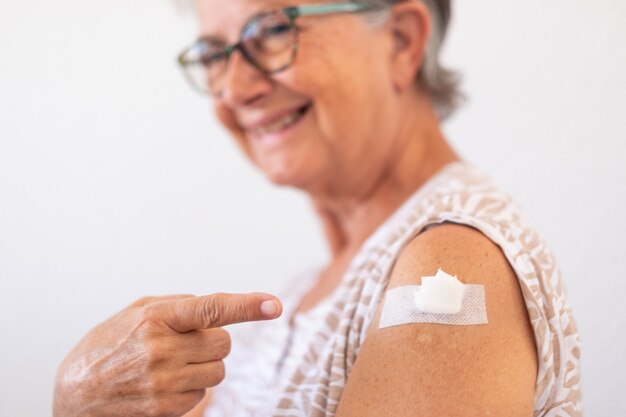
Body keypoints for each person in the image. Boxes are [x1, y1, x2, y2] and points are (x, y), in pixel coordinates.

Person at [53, 0, 582, 416]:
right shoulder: (291, 301)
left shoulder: (450, 266)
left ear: (400, 42)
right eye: (216, 55)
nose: (235, 89)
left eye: (274, 30)